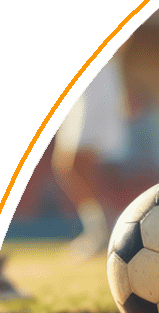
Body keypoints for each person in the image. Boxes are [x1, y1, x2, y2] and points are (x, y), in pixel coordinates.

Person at [52, 51, 130, 261]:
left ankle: (104, 231)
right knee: (71, 164)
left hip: (96, 79)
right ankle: (103, 230)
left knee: (73, 163)